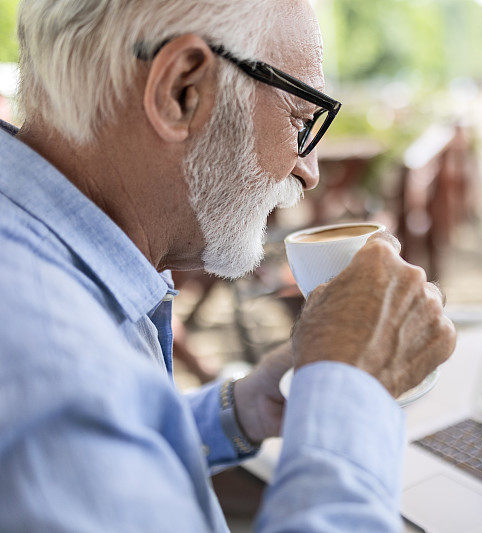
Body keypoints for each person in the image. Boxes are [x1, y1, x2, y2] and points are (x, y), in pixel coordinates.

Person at [0, 0, 456, 531]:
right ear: (181, 91)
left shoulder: (43, 271)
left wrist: (236, 411)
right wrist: (350, 389)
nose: (308, 171)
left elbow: (92, 463)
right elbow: (73, 405)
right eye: (300, 117)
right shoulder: (49, 361)